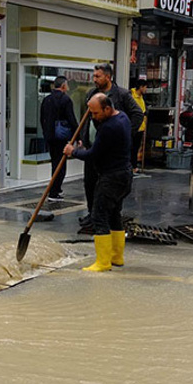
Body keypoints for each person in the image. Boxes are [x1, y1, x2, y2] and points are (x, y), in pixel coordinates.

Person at [64, 93, 133, 273]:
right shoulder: (123, 117)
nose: (92, 116)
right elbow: (100, 148)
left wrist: (74, 151)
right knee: (114, 215)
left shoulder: (109, 127)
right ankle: (116, 257)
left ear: (107, 109)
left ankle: (103, 262)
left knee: (99, 216)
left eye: (95, 113)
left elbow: (92, 155)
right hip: (124, 174)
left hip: (111, 178)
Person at [80, 63, 144, 227]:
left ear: (108, 77)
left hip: (111, 153)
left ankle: (105, 216)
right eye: (94, 76)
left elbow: (137, 113)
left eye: (98, 76)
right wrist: (83, 138)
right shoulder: (92, 94)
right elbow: (86, 119)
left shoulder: (121, 94)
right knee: (90, 182)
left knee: (109, 188)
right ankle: (91, 213)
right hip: (93, 145)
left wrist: (126, 135)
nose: (94, 79)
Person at [39, 76, 79, 200]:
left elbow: (42, 118)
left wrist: (46, 132)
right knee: (60, 164)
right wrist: (78, 135)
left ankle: (55, 189)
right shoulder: (66, 100)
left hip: (50, 136)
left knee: (54, 162)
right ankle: (54, 191)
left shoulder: (47, 100)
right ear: (63, 86)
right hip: (61, 137)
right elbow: (71, 119)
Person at [130, 78, 148, 172]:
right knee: (131, 147)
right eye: (145, 87)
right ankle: (131, 166)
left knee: (136, 147)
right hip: (133, 127)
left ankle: (134, 166)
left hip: (141, 127)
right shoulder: (131, 96)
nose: (146, 90)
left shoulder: (141, 97)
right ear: (140, 87)